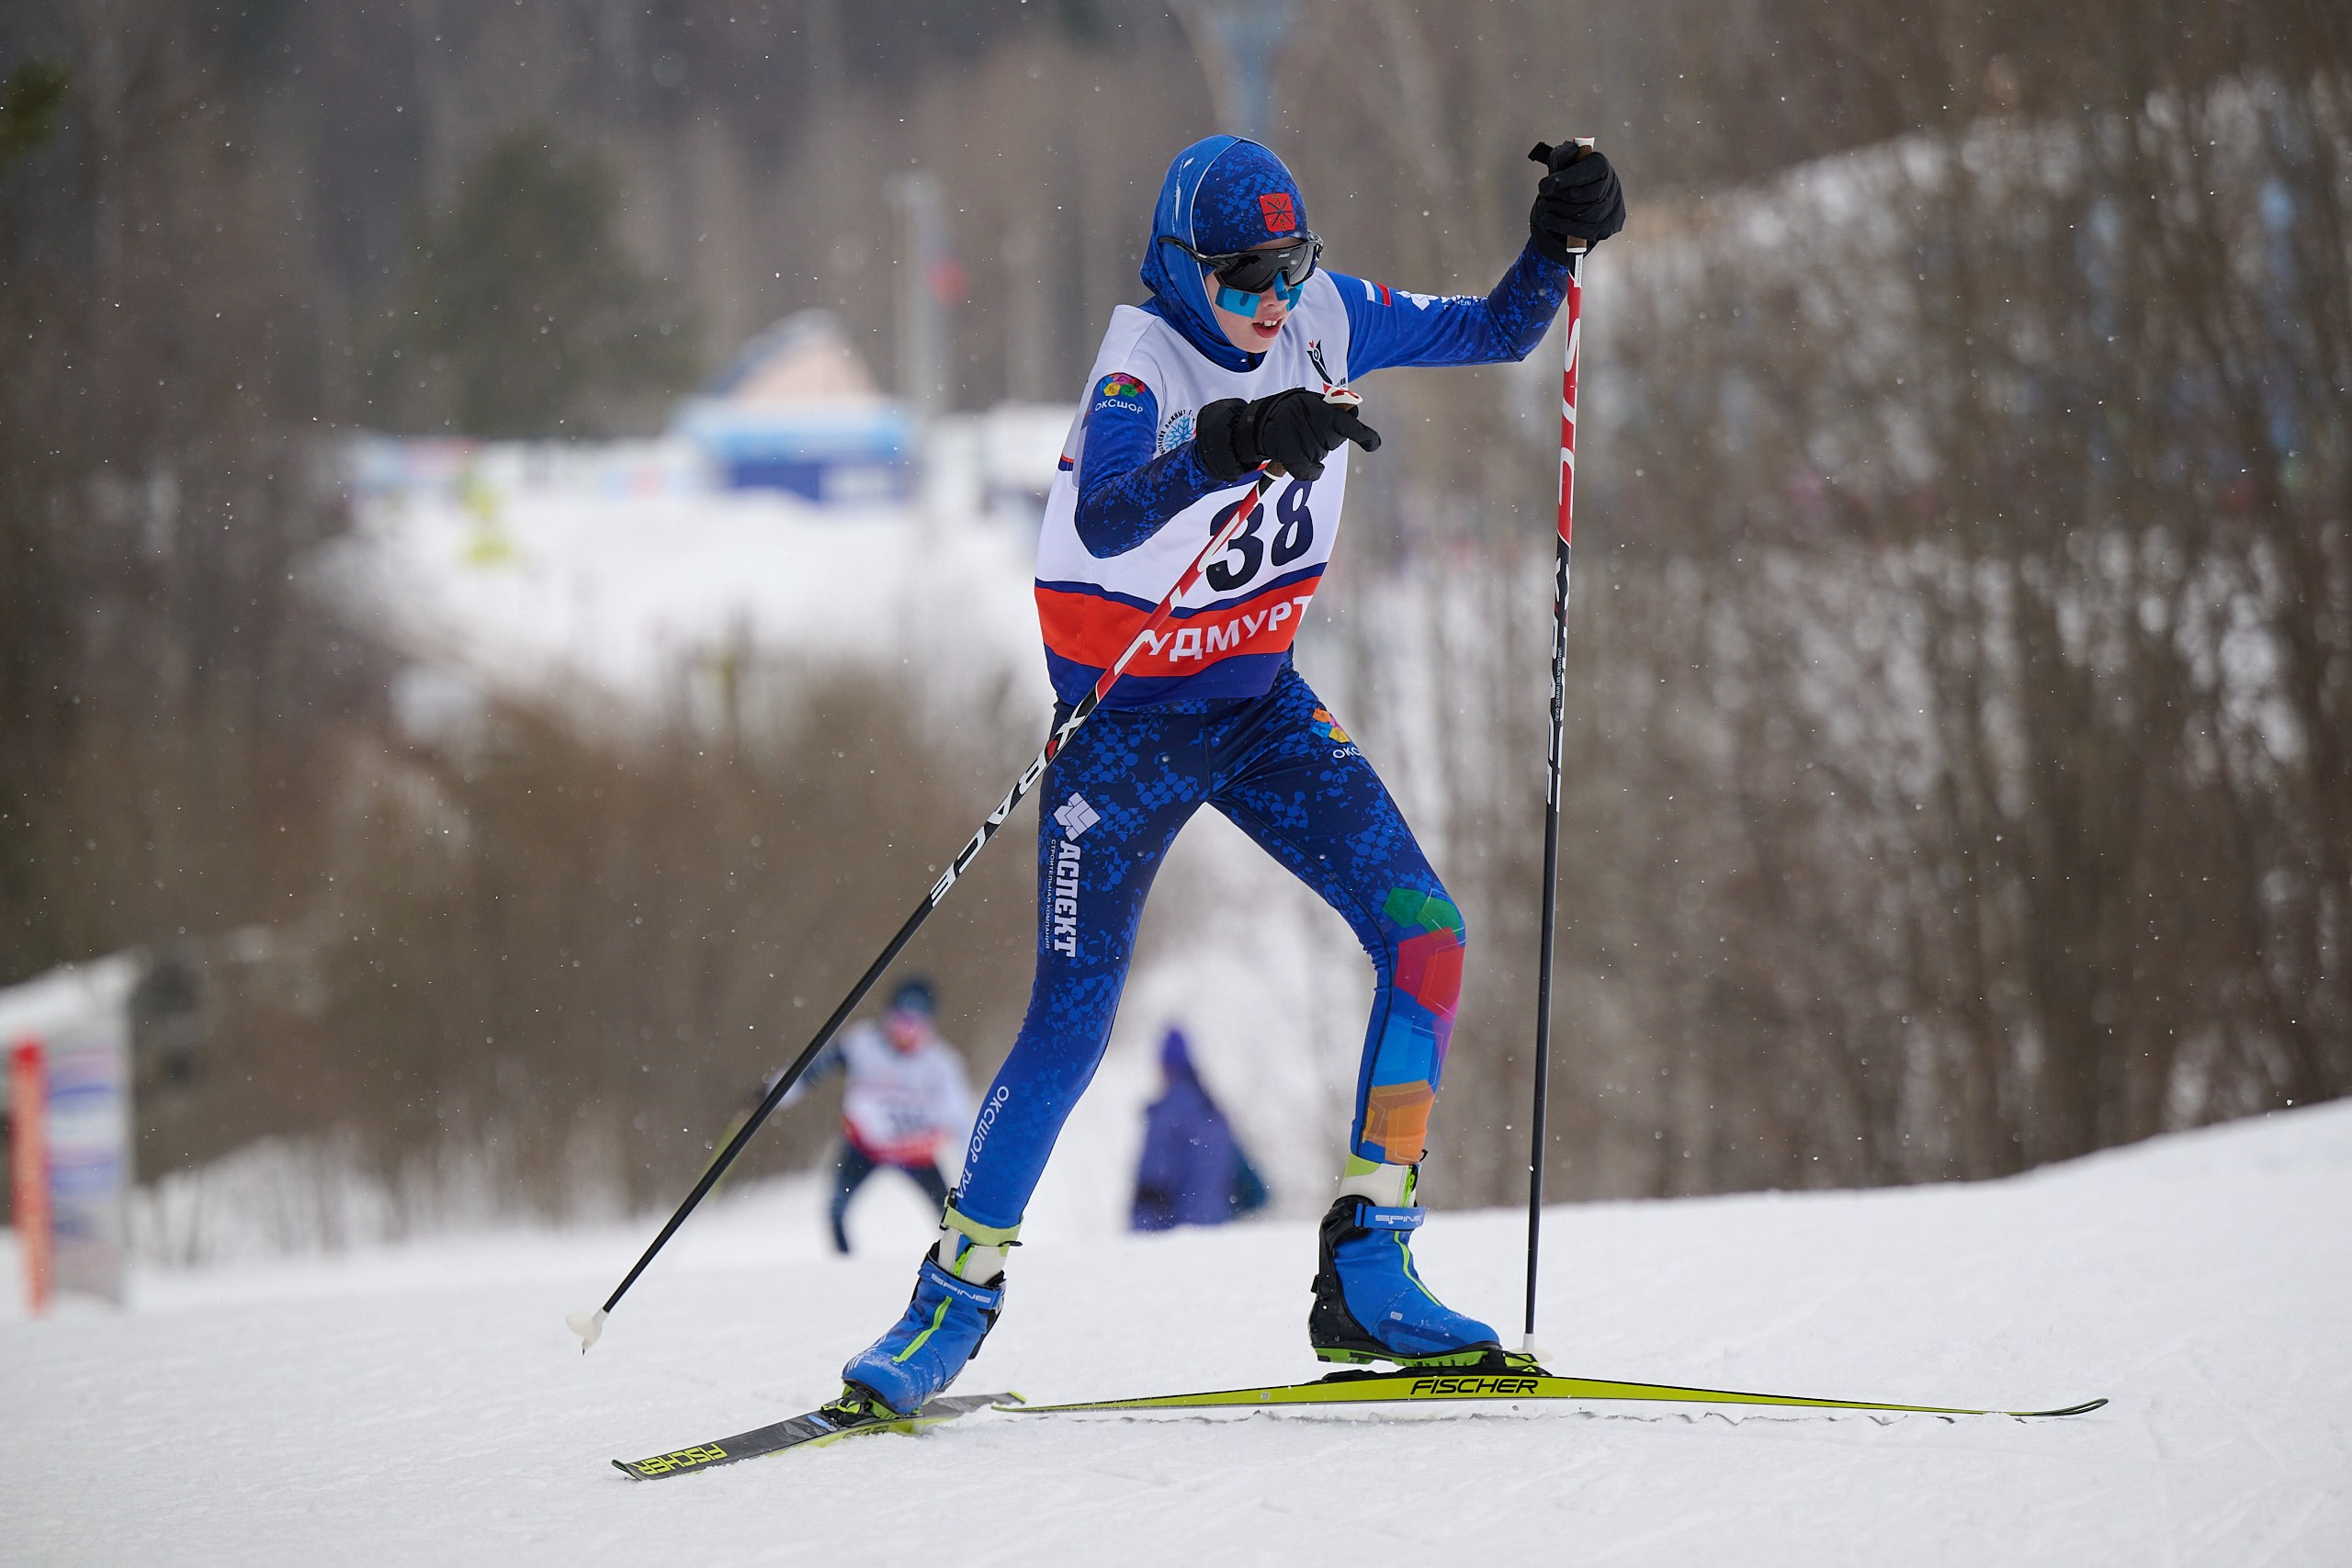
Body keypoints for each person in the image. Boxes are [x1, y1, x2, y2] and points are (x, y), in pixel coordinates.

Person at [831, 134, 1624, 1417]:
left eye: (1286, 265)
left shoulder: (1324, 313)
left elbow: (1498, 330)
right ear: (1183, 267)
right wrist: (1239, 435)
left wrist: (1555, 241)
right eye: (1243, 275)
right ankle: (950, 1299)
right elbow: (1111, 509)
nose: (1269, 299)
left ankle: (1372, 1265)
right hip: (1125, 732)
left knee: (1427, 939)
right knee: (1074, 1020)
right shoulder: (1140, 364)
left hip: (1257, 704)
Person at [778, 977, 974, 1253]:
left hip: (917, 1155)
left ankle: (954, 1266)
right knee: (836, 1211)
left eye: (914, 1025)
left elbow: (962, 1120)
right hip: (864, 1149)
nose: (905, 1033)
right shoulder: (863, 1043)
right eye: (899, 1021)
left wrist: (974, 1168)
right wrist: (773, 1094)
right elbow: (813, 1072)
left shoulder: (942, 1064)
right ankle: (847, 1271)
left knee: (948, 1219)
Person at [1130, 1027, 1270, 1232]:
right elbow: (1254, 1190)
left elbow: (1152, 1185)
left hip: (1176, 1238)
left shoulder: (1166, 1115)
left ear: (1165, 1067)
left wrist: (1138, 1239)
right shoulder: (1213, 1113)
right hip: (1214, 1237)